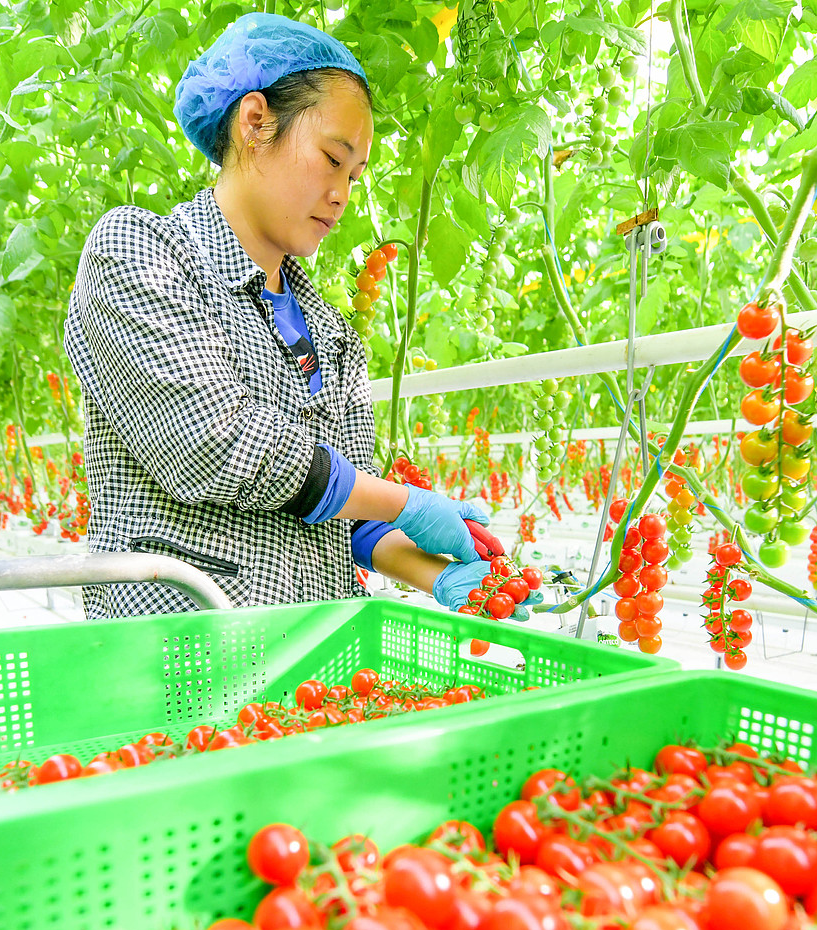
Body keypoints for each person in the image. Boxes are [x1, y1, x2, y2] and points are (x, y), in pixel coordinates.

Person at [60, 12, 539, 620]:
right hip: (182, 653)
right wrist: (401, 501)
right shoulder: (139, 251)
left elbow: (348, 510)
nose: (343, 193)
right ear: (256, 123)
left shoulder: (330, 333)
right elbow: (213, 445)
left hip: (312, 663)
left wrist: (450, 578)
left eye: (355, 175)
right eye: (332, 159)